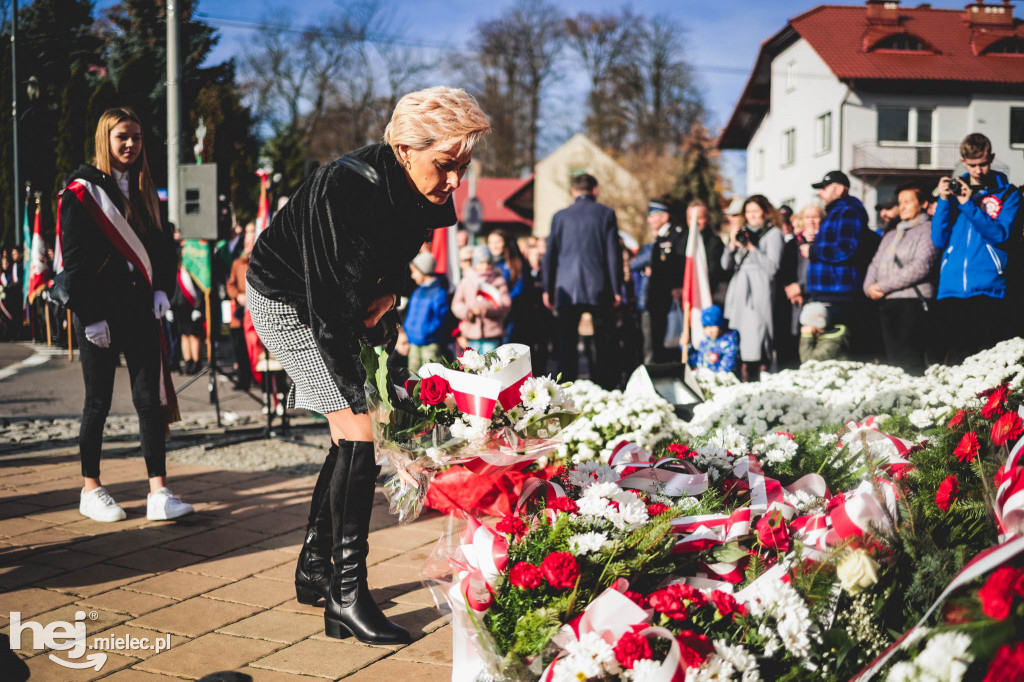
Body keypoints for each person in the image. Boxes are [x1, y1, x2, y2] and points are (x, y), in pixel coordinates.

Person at [246, 86, 490, 645]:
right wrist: (364, 391)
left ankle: (316, 566)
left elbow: (403, 252)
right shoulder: (346, 188)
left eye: (464, 167)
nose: (455, 182)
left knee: (351, 435)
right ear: (405, 149)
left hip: (342, 301)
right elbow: (327, 306)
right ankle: (346, 595)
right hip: (288, 298)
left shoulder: (422, 187)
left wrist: (393, 295)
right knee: (359, 428)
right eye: (446, 165)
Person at [60, 107, 193, 523]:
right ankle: (91, 488)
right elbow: (75, 259)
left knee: (148, 401)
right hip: (97, 312)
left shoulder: (144, 188)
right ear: (106, 139)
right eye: (123, 137)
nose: (131, 144)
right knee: (97, 401)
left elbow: (162, 248)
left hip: (139, 308)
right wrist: (91, 314)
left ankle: (159, 491)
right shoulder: (81, 192)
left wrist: (162, 290)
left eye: (136, 137)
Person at [932, 133, 1020, 364]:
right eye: (972, 165)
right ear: (963, 161)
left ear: (991, 158)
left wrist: (969, 205)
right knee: (955, 360)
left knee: (986, 362)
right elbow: (939, 240)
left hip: (988, 287)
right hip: (951, 288)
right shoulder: (954, 192)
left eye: (983, 163)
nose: (979, 170)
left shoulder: (1007, 193)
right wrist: (943, 200)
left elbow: (1001, 234)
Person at [542, 173, 623, 388]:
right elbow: (613, 253)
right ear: (595, 190)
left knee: (566, 342)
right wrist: (617, 288)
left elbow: (550, 255)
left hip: (566, 286)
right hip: (599, 286)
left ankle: (566, 388)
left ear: (573, 191)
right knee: (603, 342)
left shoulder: (559, 217)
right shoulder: (606, 214)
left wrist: (547, 289)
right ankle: (604, 388)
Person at [862, 185, 940, 374]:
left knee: (910, 358)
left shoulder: (928, 229)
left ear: (923, 204)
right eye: (900, 203)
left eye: (908, 202)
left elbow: (921, 265)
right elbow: (875, 264)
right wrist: (868, 287)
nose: (902, 207)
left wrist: (882, 286)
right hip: (887, 302)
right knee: (893, 359)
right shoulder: (891, 234)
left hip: (913, 302)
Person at [804, 170, 875, 346]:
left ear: (839, 189)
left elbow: (846, 249)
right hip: (830, 292)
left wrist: (813, 251)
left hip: (839, 293)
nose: (820, 192)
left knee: (836, 347)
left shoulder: (848, 211)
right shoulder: (836, 212)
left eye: (824, 188)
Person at [721, 195, 785, 382]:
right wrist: (733, 243)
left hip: (758, 291)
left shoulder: (773, 234)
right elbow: (725, 265)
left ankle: (758, 375)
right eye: (748, 212)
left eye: (756, 211)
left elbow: (772, 268)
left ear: (765, 212)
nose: (752, 216)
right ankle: (740, 376)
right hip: (739, 289)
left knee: (756, 338)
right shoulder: (742, 232)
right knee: (738, 338)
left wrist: (750, 247)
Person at [644, 199, 687, 363]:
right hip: (657, 297)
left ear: (664, 216)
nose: (649, 220)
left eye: (652, 216)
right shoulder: (659, 237)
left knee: (671, 341)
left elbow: (679, 263)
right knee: (658, 340)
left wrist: (677, 286)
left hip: (670, 296)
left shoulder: (676, 234)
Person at [451, 246, 511, 354]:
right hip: (471, 333)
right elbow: (456, 304)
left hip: (492, 333)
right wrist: (468, 312)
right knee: (473, 366)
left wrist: (486, 310)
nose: (485, 267)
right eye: (481, 263)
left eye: (488, 263)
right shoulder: (466, 280)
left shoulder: (498, 280)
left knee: (490, 365)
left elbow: (505, 304)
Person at [404, 252, 450, 371]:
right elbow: (410, 315)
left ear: (423, 270)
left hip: (430, 343)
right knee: (413, 373)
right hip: (413, 342)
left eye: (414, 272)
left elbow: (441, 318)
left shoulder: (439, 293)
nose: (412, 276)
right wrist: (408, 330)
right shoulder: (416, 292)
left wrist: (426, 331)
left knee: (430, 373)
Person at [225, 222, 255, 390]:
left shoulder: (262, 263)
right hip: (240, 313)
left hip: (256, 314)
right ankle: (243, 379)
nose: (248, 246)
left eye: (251, 243)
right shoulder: (238, 263)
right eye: (246, 243)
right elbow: (231, 285)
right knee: (240, 347)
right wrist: (238, 295)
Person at [170, 260, 205, 375]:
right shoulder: (178, 272)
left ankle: (196, 363)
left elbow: (200, 290)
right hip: (180, 308)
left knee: (194, 335)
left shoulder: (195, 271)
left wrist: (198, 307)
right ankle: (188, 362)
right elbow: (175, 290)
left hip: (192, 307)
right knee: (184, 335)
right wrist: (170, 307)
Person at [688, 305, 738, 374]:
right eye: (705, 327)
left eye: (712, 326)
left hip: (718, 382)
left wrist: (712, 378)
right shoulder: (704, 343)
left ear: (720, 324)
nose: (709, 331)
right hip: (702, 381)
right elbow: (697, 363)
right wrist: (688, 347)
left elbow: (726, 368)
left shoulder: (728, 344)